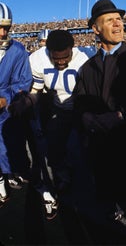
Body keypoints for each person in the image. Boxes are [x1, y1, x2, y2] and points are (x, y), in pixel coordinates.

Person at [60, 0, 126, 244]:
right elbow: (79, 102)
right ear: (95, 28)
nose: (118, 25)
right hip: (100, 158)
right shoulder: (87, 68)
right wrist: (86, 117)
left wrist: (121, 116)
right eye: (110, 20)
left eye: (119, 20)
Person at [9, 29, 89, 222]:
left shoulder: (85, 57)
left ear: (72, 48)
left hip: (81, 109)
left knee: (82, 150)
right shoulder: (38, 59)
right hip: (58, 110)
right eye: (56, 58)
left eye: (65, 57)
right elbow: (36, 90)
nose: (61, 62)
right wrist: (26, 102)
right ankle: (62, 176)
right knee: (54, 147)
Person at [0, 2, 33, 206]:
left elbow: (23, 82)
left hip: (5, 110)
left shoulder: (18, 50)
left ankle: (7, 174)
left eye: (6, 27)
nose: (3, 33)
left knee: (6, 146)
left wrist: (6, 98)